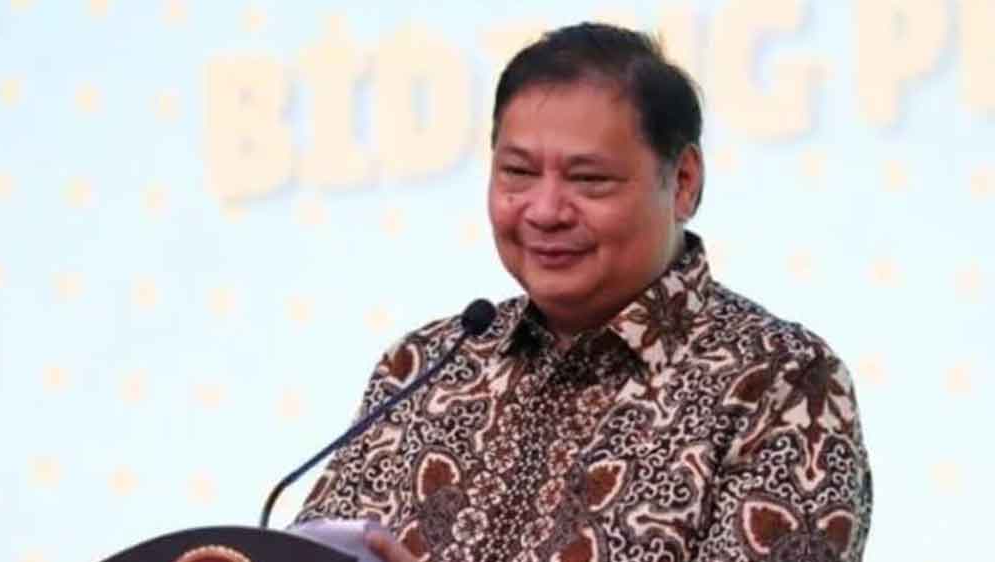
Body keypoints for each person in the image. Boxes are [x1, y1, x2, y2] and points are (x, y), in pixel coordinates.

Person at [296, 22, 872, 562]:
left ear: (683, 182)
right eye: (518, 173)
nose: (545, 211)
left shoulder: (782, 381)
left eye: (589, 179)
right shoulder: (422, 366)